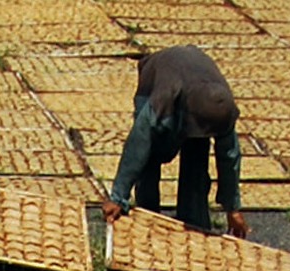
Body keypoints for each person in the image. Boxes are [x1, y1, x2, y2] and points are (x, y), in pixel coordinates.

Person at [100, 45, 245, 236]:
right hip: (158, 73)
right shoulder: (163, 100)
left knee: (197, 165)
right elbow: (138, 143)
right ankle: (147, 221)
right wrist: (118, 197)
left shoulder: (221, 108)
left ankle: (195, 223)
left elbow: (229, 157)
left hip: (195, 82)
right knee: (149, 160)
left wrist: (232, 208)